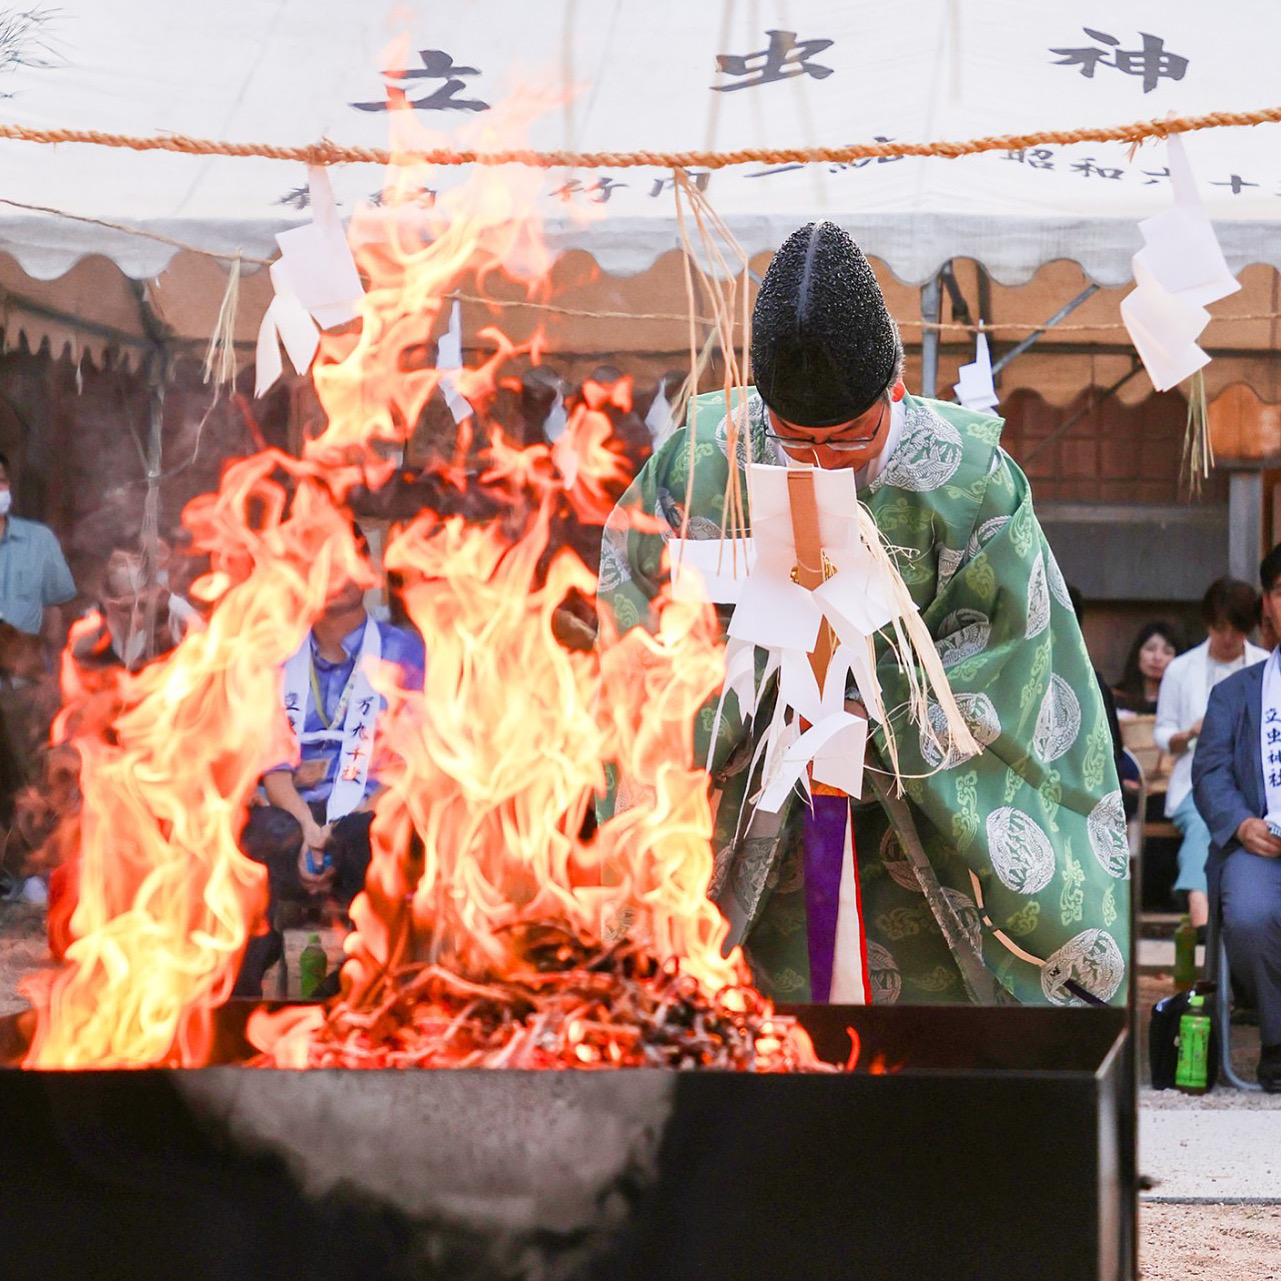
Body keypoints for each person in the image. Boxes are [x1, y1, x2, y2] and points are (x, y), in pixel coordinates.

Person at [597, 221, 1128, 1008]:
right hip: (747, 817)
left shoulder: (969, 480)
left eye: (848, 438)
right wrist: (760, 703)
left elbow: (1014, 659)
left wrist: (871, 713)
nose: (818, 464)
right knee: (734, 1037)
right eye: (794, 439)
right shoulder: (702, 463)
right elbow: (637, 629)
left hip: (920, 843)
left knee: (920, 1066)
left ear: (896, 391)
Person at [234, 546, 425, 997]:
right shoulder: (281, 657)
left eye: (345, 560)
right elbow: (273, 767)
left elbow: (412, 763)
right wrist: (308, 827)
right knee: (255, 838)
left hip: (368, 805)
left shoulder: (401, 650)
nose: (335, 575)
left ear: (367, 572)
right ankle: (240, 997)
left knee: (370, 839)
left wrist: (333, 828)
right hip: (296, 809)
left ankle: (357, 989)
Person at [1192, 543, 1281, 1090]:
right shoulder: (1235, 694)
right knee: (1248, 916)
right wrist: (1243, 823)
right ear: (1269, 604)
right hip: (1259, 843)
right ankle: (1277, 1041)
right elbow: (1210, 773)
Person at [1156, 578, 1267, 931]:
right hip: (1195, 777)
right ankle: (1200, 909)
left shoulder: (1267, 666)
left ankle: (1209, 909)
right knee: (1206, 820)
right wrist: (1188, 733)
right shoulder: (1180, 668)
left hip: (1256, 784)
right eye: (1220, 628)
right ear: (1208, 623)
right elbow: (1161, 732)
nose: (1228, 637)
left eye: (1237, 629)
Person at [1114, 622, 1181, 715]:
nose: (1157, 657)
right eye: (1150, 649)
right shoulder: (1117, 697)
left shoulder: (1182, 701)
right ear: (1137, 654)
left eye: (1167, 652)